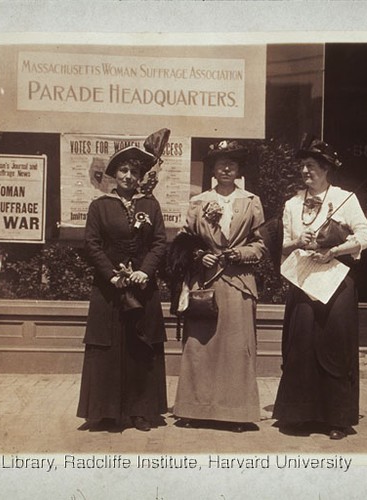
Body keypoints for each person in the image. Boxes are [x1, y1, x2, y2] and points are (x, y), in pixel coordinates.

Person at [272, 136, 367, 440]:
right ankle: (299, 414)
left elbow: (365, 236)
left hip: (336, 281)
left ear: (326, 169)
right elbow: (282, 245)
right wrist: (296, 242)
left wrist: (335, 250)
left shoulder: (345, 198)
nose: (305, 171)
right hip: (303, 280)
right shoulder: (292, 203)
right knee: (300, 344)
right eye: (302, 166)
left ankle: (337, 419)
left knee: (334, 346)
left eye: (311, 165)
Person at [76, 129, 171, 432]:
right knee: (108, 346)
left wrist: (145, 271)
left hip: (142, 289)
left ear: (142, 176)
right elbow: (91, 244)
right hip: (109, 290)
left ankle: (140, 412)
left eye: (135, 171)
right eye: (124, 170)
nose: (130, 176)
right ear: (114, 174)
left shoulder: (150, 206)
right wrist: (112, 275)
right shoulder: (99, 207)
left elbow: (159, 242)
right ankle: (104, 412)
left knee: (140, 346)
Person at [172, 140, 267, 432]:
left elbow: (261, 245)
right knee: (200, 346)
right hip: (206, 284)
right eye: (220, 163)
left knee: (237, 349)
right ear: (212, 169)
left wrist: (239, 253)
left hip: (239, 283)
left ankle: (236, 413)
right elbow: (184, 242)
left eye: (232, 164)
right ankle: (193, 410)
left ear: (239, 170)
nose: (226, 168)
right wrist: (200, 255)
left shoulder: (252, 201)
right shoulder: (198, 201)